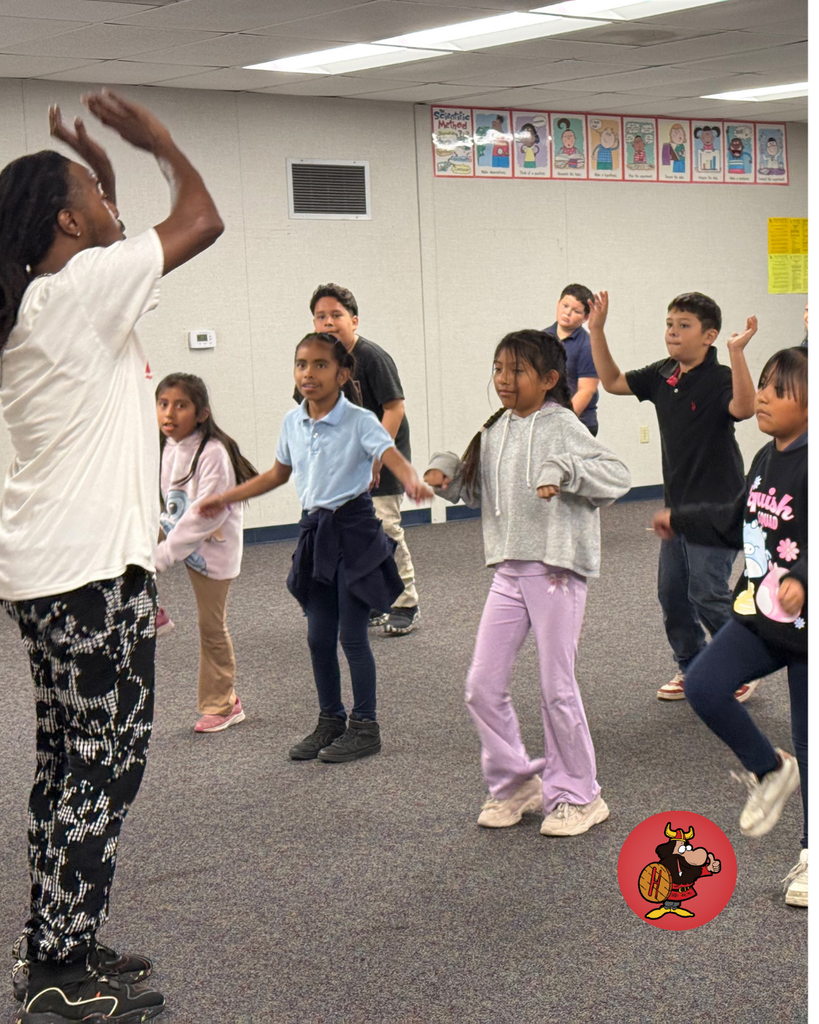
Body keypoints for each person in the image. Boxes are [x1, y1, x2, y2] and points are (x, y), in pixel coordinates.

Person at [0, 92, 222, 1020]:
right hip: (92, 576)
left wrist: (104, 170)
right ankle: (58, 972)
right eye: (92, 192)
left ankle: (59, 946)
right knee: (103, 768)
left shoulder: (44, 300)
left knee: (68, 763)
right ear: (65, 220)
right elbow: (200, 219)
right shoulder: (81, 296)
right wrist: (159, 141)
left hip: (49, 575)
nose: (108, 200)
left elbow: (121, 235)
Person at [424, 330, 630, 836]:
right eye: (498, 369)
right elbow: (479, 493)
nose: (503, 380)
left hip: (557, 569)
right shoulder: (495, 428)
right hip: (509, 570)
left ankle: (581, 795)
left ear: (549, 379)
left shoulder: (563, 424)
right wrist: (446, 476)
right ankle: (516, 783)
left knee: (555, 688)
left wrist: (566, 471)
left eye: (516, 371)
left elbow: (618, 475)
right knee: (481, 686)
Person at [200, 333, 432, 763]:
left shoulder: (361, 419)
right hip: (315, 533)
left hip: (355, 531)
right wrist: (228, 496)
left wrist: (412, 477)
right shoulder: (293, 422)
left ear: (343, 374)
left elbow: (389, 453)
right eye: (301, 364)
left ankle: (366, 726)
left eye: (320, 365)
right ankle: (330, 719)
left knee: (352, 636)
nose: (309, 373)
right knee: (317, 637)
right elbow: (276, 474)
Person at [652, 346, 808, 907]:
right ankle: (768, 770)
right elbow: (737, 519)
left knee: (810, 736)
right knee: (704, 685)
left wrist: (804, 578)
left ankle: (812, 855)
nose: (761, 395)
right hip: (763, 615)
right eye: (762, 384)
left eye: (778, 388)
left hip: (808, 625)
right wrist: (684, 520)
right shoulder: (767, 454)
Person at [587, 291, 757, 700]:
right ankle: (694, 668)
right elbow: (611, 382)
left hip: (719, 509)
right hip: (675, 509)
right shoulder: (664, 374)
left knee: (707, 593)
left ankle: (742, 666)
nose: (673, 333)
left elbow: (746, 407)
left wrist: (736, 353)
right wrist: (597, 329)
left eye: (684, 326)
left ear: (709, 336)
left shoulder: (718, 378)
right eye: (669, 324)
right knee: (672, 595)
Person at [310, 283, 421, 635]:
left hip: (383, 459)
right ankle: (375, 599)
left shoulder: (372, 357)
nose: (328, 322)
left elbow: (395, 409)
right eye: (321, 316)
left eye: (336, 315)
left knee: (385, 528)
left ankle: (406, 603)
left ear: (354, 320)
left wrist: (375, 460)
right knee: (354, 534)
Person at [154, 373, 257, 733]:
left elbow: (201, 516)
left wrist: (164, 555)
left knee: (211, 626)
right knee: (130, 540)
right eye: (163, 404)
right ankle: (152, 609)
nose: (169, 413)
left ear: (201, 414)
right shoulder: (168, 446)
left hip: (213, 549)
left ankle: (225, 703)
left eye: (180, 405)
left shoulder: (213, 453)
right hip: (181, 533)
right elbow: (171, 506)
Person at [544, 283, 600, 435]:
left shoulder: (588, 345)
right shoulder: (541, 338)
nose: (567, 313)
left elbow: (586, 390)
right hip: (545, 419)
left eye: (576, 311)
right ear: (558, 303)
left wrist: (563, 423)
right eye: (565, 305)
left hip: (578, 423)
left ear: (586, 317)